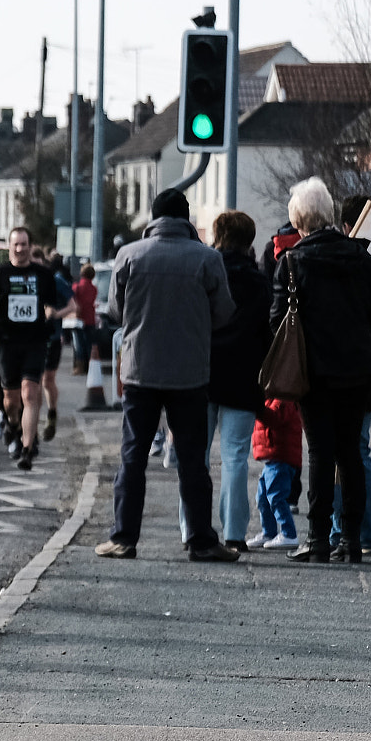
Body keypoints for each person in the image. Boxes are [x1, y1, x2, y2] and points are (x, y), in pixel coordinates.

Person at [94, 188, 238, 562]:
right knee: (193, 461)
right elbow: (224, 313)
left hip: (140, 371)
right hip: (190, 373)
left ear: (154, 218)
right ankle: (202, 541)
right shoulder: (208, 259)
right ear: (186, 218)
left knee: (133, 457)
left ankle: (124, 537)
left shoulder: (129, 256)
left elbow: (115, 311)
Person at [270, 178, 371, 563]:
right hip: (358, 369)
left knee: (321, 453)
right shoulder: (362, 258)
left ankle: (318, 538)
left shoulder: (291, 263)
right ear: (329, 215)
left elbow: (276, 322)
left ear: (298, 221)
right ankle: (352, 540)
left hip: (315, 374)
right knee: (351, 454)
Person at [180, 210, 271, 551]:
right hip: (243, 376)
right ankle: (234, 533)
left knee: (196, 455)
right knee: (235, 456)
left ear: (217, 236)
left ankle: (192, 528)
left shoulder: (202, 272)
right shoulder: (260, 281)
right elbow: (266, 333)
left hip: (201, 374)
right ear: (249, 240)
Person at [329, 195, 371, 557]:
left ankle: (350, 529)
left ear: (346, 225)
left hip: (341, 368)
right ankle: (363, 530)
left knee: (346, 450)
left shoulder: (346, 259)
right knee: (357, 448)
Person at [0, 227, 61, 471]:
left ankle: (27, 449)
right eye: (16, 244)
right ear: (9, 245)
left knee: (29, 393)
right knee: (11, 400)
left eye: (24, 244)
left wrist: (49, 313)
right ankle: (12, 425)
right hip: (6, 342)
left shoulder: (43, 275)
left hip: (34, 341)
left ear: (29, 245)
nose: (20, 249)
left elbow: (51, 305)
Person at [247, 397, 301, 550]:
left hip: (281, 459)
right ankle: (269, 532)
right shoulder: (271, 398)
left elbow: (274, 418)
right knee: (263, 498)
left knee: (276, 497)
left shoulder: (284, 399)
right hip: (272, 459)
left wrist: (257, 407)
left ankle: (289, 534)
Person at [40, 253, 76, 441]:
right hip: (29, 339)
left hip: (52, 338)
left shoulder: (56, 281)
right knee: (30, 383)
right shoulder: (23, 281)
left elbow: (73, 306)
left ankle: (51, 413)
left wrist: (55, 314)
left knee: (46, 380)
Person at [71, 263, 98, 375]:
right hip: (90, 318)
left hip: (79, 318)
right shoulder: (94, 289)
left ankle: (79, 367)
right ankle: (89, 366)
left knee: (78, 344)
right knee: (89, 344)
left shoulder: (77, 287)